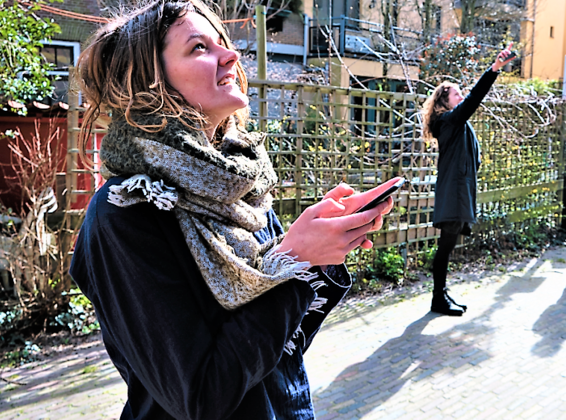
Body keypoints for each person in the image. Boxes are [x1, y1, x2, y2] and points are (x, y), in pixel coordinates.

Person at [69, 1, 399, 418]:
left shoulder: (241, 182)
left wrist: (316, 251)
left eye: (223, 42)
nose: (231, 55)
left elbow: (281, 349)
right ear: (151, 84)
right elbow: (202, 397)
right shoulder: (124, 212)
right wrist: (293, 259)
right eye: (199, 48)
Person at [421, 46, 516, 316]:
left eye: (461, 93)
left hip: (459, 190)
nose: (461, 97)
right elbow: (475, 98)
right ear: (444, 101)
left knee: (448, 245)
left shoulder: (455, 122)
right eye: (456, 94)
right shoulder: (449, 120)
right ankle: (437, 298)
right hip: (454, 192)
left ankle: (441, 294)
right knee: (445, 245)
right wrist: (494, 68)